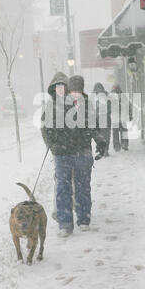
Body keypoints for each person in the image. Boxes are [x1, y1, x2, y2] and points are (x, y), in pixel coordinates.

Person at [44, 75, 106, 237]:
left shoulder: (87, 105)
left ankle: (84, 219)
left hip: (82, 152)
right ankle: (65, 224)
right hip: (63, 154)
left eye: (79, 90)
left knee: (83, 187)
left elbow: (94, 126)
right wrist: (54, 144)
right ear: (68, 91)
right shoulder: (57, 105)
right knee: (63, 188)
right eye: (73, 91)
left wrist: (100, 142)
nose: (76, 94)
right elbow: (48, 127)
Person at [41, 71, 69, 222]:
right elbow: (44, 128)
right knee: (60, 182)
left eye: (62, 86)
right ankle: (59, 211)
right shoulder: (50, 107)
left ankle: (73, 206)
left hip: (74, 150)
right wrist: (51, 145)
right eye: (57, 87)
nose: (60, 89)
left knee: (73, 180)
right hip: (59, 151)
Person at [110, 85, 132, 152]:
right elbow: (129, 105)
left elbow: (107, 107)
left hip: (115, 118)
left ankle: (117, 146)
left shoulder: (110, 96)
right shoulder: (123, 96)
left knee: (115, 133)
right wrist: (130, 115)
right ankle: (124, 144)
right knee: (124, 131)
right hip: (123, 117)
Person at [92, 82, 111, 157]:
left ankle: (102, 149)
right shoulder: (106, 95)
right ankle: (106, 150)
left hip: (97, 118)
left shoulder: (93, 96)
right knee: (107, 135)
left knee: (99, 135)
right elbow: (110, 106)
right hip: (106, 117)